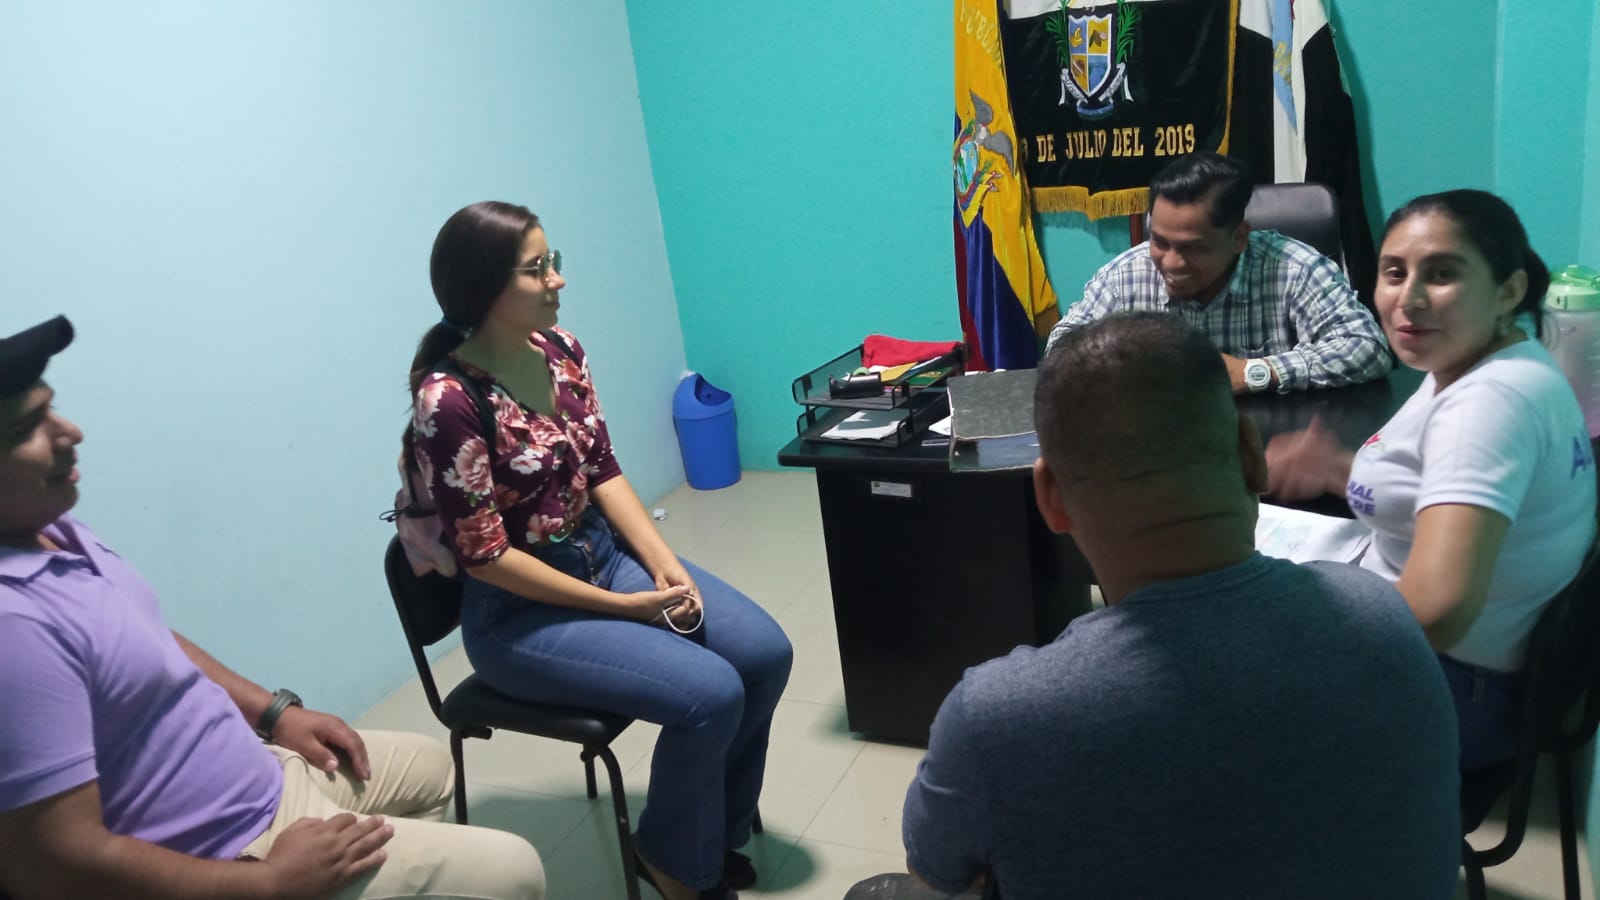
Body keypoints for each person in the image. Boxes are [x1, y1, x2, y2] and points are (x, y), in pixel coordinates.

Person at [874, 313, 1459, 899]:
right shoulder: (1385, 620)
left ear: (1050, 499)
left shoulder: (994, 721)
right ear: (1251, 455)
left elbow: (936, 878)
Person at [0, 316, 545, 900]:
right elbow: (54, 865)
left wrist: (274, 714)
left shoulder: (52, 530)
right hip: (233, 847)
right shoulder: (14, 627)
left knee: (429, 770)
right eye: (31, 426)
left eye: (53, 409)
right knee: (514, 871)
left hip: (255, 773)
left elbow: (146, 638)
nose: (71, 431)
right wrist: (268, 882)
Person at [406, 201, 793, 900]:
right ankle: (671, 861)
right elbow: (487, 556)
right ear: (484, 288)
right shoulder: (450, 401)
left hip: (601, 556)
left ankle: (708, 837)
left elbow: (603, 469)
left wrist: (663, 565)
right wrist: (625, 607)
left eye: (553, 261)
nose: (557, 279)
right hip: (518, 615)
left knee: (764, 655)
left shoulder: (560, 349)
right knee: (711, 696)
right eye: (537, 269)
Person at [1266, 190, 1597, 770]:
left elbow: (1436, 614)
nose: (1409, 298)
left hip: (1453, 693)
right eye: (1394, 273)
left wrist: (1311, 641)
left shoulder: (1488, 406)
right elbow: (1441, 484)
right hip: (1471, 671)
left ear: (1509, 291)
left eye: (1442, 274)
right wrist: (1337, 468)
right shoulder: (1490, 359)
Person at [1044, 152, 1391, 395]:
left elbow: (1367, 348)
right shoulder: (1126, 276)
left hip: (1275, 450)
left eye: (1192, 248)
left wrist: (1255, 372)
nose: (1171, 263)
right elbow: (1061, 352)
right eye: (1160, 242)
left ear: (1239, 237)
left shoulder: (1294, 268)